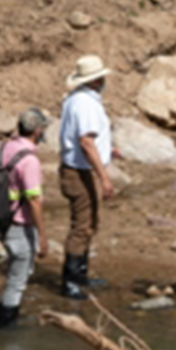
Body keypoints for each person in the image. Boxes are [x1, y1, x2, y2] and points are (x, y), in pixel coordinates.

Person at [58, 54, 114, 300]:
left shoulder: (78, 100)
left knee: (89, 222)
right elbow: (86, 141)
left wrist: (110, 150)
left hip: (78, 168)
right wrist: (104, 177)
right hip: (80, 171)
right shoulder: (85, 103)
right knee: (82, 226)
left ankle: (80, 275)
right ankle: (71, 280)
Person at [0, 107, 50, 328]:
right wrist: (42, 237)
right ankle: (5, 324)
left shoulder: (7, 148)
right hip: (19, 224)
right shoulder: (30, 161)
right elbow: (34, 201)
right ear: (37, 130)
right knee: (18, 279)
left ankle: (3, 317)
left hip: (2, 219)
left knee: (14, 272)